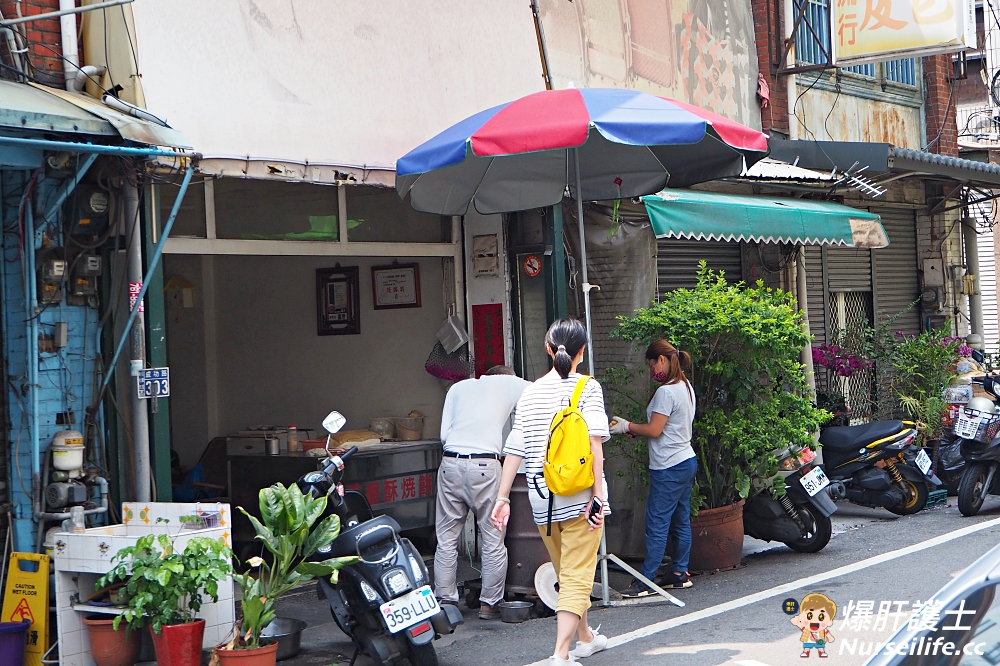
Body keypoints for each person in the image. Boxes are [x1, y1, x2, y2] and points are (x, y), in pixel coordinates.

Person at [491, 318, 611, 665]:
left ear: (548, 349)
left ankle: (585, 638)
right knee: (575, 575)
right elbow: (595, 446)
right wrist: (597, 496)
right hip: (580, 498)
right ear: (582, 352)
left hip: (541, 501)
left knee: (570, 572)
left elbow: (514, 450)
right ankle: (561, 654)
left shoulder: (528, 394)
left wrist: (502, 498)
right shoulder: (587, 388)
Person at [434, 365, 530, 620]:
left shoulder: (457, 388)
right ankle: (489, 603)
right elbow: (543, 396)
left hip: (450, 463)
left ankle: (445, 601)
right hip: (485, 466)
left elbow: (444, 435)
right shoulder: (511, 384)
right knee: (492, 536)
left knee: (446, 537)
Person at [611, 339, 697, 596]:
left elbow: (655, 430)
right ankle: (680, 573)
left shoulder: (665, 392)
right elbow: (666, 429)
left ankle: (646, 581)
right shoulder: (685, 386)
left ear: (662, 359)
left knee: (657, 524)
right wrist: (636, 431)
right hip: (685, 460)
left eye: (652, 363)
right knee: (680, 521)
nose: (652, 370)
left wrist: (627, 426)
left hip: (668, 467)